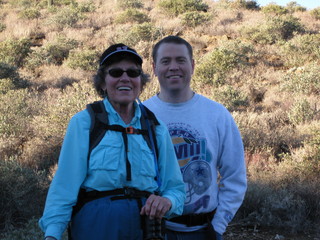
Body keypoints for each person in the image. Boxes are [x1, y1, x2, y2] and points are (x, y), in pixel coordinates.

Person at [39, 43, 186, 240]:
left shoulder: (155, 127)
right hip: (95, 228)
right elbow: (65, 186)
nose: (124, 78)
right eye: (115, 72)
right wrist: (52, 235)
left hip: (146, 230)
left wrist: (167, 202)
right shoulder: (85, 122)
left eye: (133, 73)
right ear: (102, 82)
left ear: (141, 82)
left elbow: (175, 188)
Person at [143, 36, 247, 240]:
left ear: (192, 65)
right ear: (154, 68)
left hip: (204, 231)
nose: (174, 67)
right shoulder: (141, 114)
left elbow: (235, 177)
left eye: (180, 60)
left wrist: (218, 227)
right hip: (152, 231)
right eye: (166, 61)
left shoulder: (217, 114)